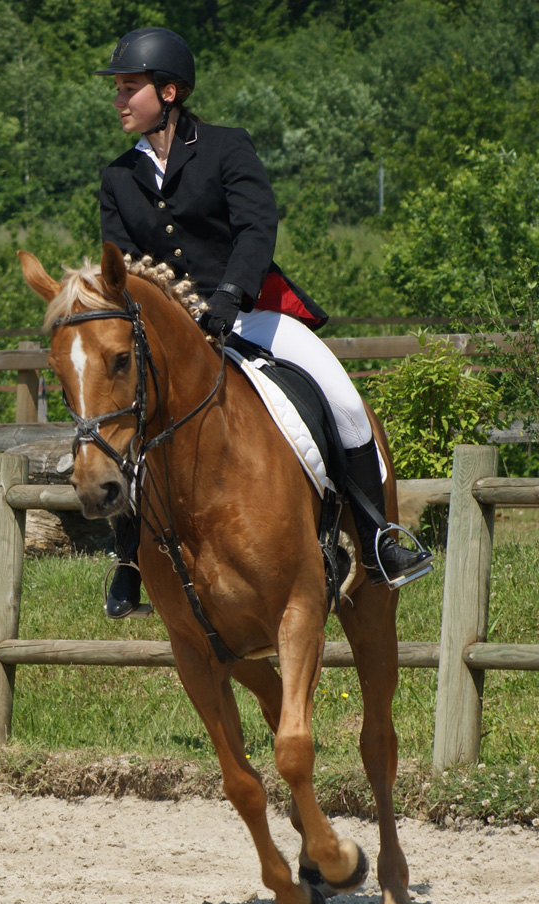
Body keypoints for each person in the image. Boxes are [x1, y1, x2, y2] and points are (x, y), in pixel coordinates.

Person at [95, 27, 433, 618]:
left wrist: (226, 301)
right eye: (118, 89)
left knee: (344, 400)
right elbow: (120, 265)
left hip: (249, 312)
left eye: (131, 87)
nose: (120, 99)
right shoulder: (117, 176)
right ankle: (129, 559)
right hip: (168, 335)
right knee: (121, 420)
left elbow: (257, 228)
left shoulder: (227, 148)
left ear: (169, 92)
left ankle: (378, 537)